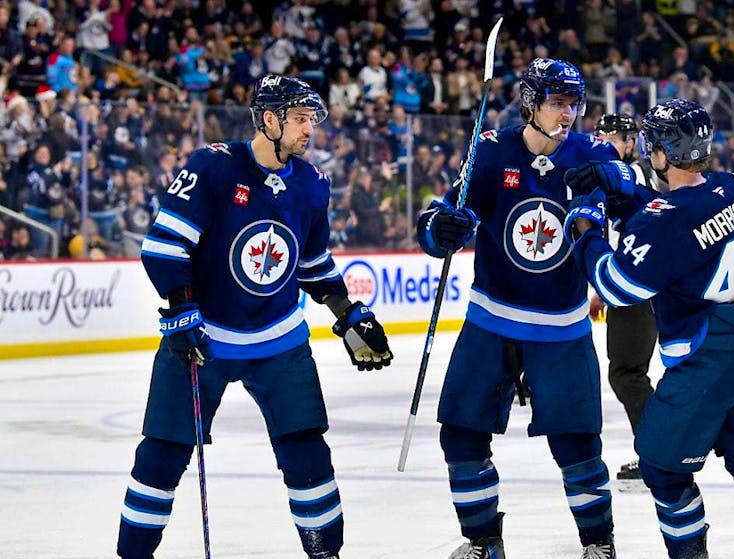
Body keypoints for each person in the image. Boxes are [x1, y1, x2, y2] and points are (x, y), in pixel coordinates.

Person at [117, 75, 393, 559]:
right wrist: (181, 306)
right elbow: (164, 247)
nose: (310, 130)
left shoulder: (312, 184)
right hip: (205, 336)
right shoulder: (213, 167)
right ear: (270, 119)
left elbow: (311, 264)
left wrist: (346, 312)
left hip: (279, 340)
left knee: (307, 451)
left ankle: (326, 553)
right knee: (163, 452)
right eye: (301, 119)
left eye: (312, 119)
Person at [563, 99, 734, 559]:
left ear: (661, 154)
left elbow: (614, 286)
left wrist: (586, 227)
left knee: (661, 468)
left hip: (703, 362)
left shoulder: (661, 222)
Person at [416, 58, 619, 559]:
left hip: (561, 327)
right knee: (461, 437)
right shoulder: (489, 151)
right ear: (531, 104)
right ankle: (483, 541)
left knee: (577, 445)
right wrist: (438, 230)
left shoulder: (592, 155)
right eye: (556, 103)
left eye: (575, 103)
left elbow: (609, 213)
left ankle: (599, 544)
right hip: (492, 319)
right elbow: (442, 216)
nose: (568, 114)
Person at [587, 112, 658, 481]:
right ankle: (658, 451)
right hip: (626, 288)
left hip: (636, 290)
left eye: (612, 135)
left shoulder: (635, 174)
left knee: (627, 374)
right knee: (629, 373)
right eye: (599, 134)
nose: (603, 141)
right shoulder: (609, 172)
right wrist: (603, 288)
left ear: (631, 143)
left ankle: (658, 455)